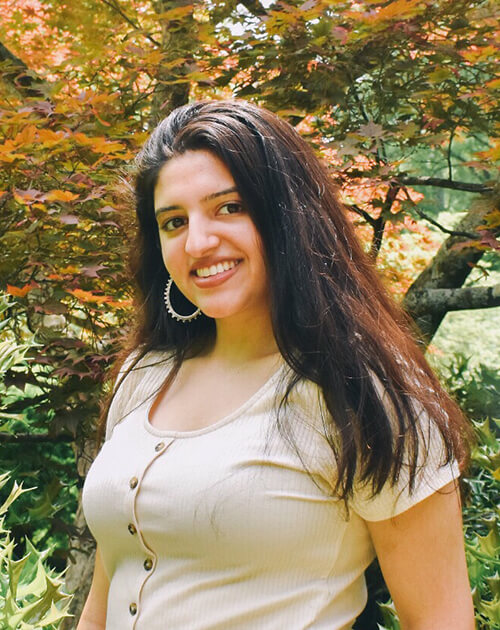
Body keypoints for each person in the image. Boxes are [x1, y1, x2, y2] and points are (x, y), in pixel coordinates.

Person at [78, 99, 474, 630]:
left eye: (229, 207)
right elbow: (104, 597)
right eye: (173, 222)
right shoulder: (144, 376)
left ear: (289, 218)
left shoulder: (362, 392)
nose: (198, 241)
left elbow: (440, 619)